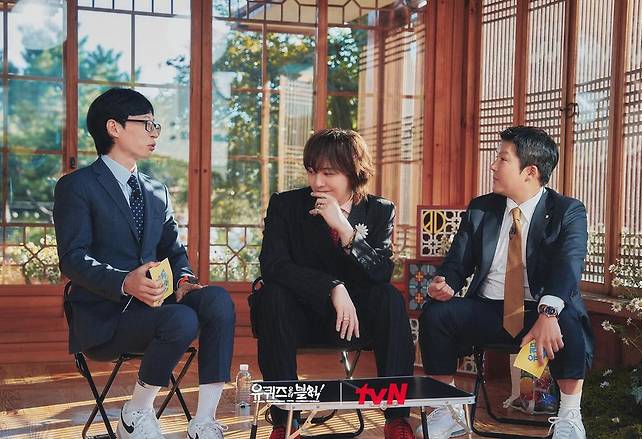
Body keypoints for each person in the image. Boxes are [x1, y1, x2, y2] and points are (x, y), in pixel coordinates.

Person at [53, 88, 235, 439]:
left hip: (157, 308)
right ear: (114, 128)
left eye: (156, 125)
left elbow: (173, 250)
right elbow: (73, 259)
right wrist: (124, 281)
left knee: (216, 300)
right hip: (107, 318)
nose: (155, 132)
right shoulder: (77, 186)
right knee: (181, 319)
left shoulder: (156, 190)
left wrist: (183, 281)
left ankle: (204, 421)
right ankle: (136, 411)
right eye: (147, 123)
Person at [418, 126, 593, 439]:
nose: (493, 166)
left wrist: (548, 313)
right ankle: (447, 410)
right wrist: (446, 283)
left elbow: (569, 265)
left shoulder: (568, 211)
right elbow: (458, 262)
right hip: (487, 310)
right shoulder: (481, 208)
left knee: (567, 318)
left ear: (530, 172)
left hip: (538, 311)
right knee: (436, 314)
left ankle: (569, 417)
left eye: (502, 159)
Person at [252, 128, 415, 439]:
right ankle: (285, 421)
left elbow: (381, 272)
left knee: (390, 298)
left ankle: (397, 418)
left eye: (328, 173)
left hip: (355, 322)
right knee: (273, 295)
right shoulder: (286, 205)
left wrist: (345, 230)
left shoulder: (380, 210)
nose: (317, 182)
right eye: (312, 171)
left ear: (354, 172)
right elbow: (273, 266)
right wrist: (332, 286)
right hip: (298, 317)